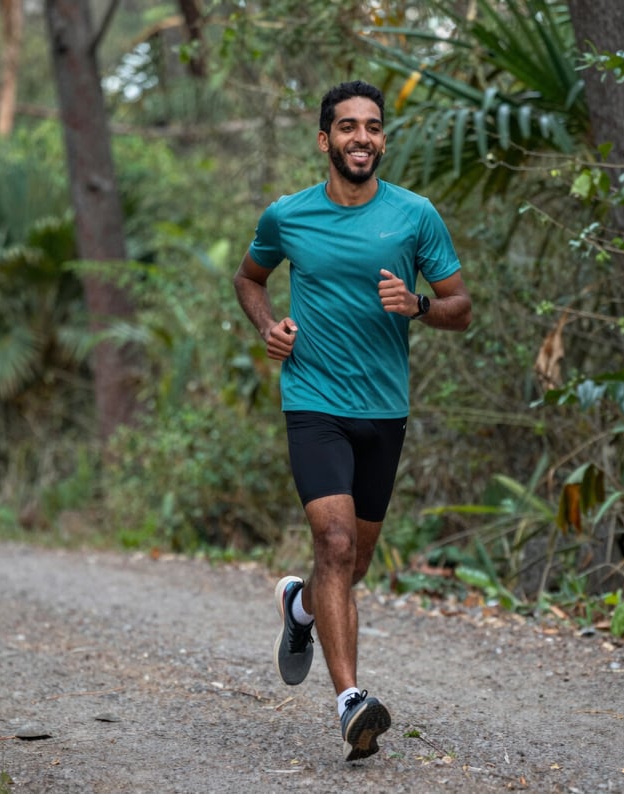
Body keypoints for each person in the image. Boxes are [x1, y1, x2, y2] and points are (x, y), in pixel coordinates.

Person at [233, 80, 472, 762]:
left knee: (353, 562)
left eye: (372, 126)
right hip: (313, 402)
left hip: (383, 410)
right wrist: (268, 327)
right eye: (347, 126)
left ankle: (300, 608)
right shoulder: (288, 216)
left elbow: (461, 307)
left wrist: (418, 306)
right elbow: (249, 278)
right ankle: (351, 704)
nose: (361, 137)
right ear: (325, 140)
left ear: (383, 139)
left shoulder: (415, 216)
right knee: (334, 544)